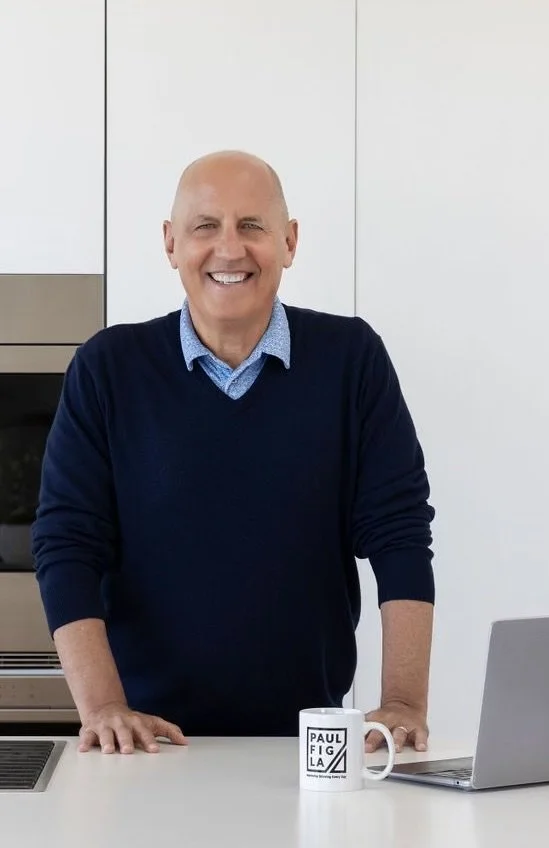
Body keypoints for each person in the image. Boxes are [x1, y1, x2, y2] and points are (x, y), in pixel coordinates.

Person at [32, 150, 435, 756]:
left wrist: (404, 703)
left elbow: (399, 535)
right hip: (145, 747)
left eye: (252, 226)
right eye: (205, 227)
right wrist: (105, 707)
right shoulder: (108, 368)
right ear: (171, 244)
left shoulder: (352, 360)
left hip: (307, 746)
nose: (229, 249)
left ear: (289, 241)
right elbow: (67, 546)